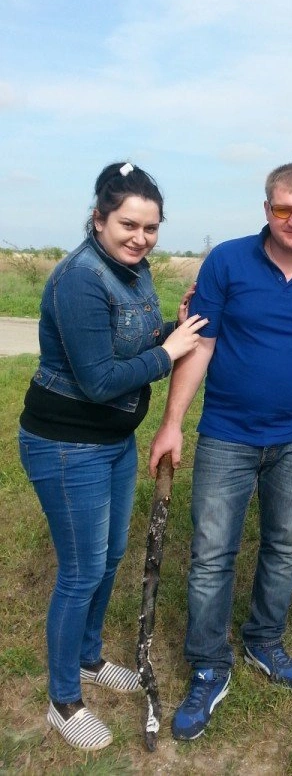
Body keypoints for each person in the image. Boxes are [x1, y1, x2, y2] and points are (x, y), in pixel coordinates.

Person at [149, 163, 292, 742]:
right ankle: (209, 664)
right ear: (267, 210)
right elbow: (201, 344)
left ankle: (264, 638)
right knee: (212, 553)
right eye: (283, 208)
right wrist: (172, 424)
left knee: (285, 547)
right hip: (226, 434)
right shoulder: (227, 261)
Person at [18, 162, 207, 751]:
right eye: (128, 224)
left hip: (112, 443)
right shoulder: (80, 278)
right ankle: (62, 700)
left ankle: (89, 657)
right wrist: (170, 352)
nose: (140, 237)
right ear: (99, 218)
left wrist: (170, 330)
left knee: (110, 556)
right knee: (80, 572)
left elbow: (128, 342)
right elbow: (99, 379)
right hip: (65, 444)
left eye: (151, 228)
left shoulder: (135, 271)